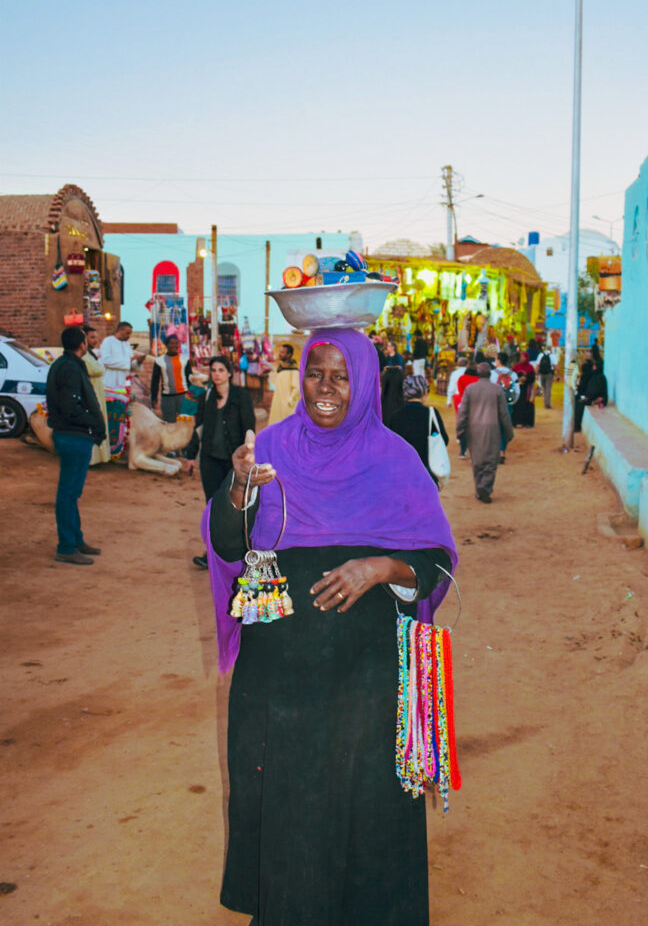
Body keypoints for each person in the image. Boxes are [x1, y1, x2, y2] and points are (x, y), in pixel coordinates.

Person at [204, 328, 457, 926]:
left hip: (367, 691)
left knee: (364, 809)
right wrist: (239, 487)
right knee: (289, 812)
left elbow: (439, 561)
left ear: (364, 382)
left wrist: (381, 567)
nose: (325, 388)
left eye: (340, 376)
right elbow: (225, 544)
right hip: (277, 689)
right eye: (316, 373)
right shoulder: (266, 448)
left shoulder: (395, 459)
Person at [186, 356, 256, 569]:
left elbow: (249, 426)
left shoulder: (241, 396)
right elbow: (199, 428)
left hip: (233, 461)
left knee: (237, 506)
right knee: (213, 506)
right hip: (209, 459)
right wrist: (190, 456)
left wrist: (248, 452)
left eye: (220, 370)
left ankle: (244, 553)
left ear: (229, 373)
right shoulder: (206, 396)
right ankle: (212, 554)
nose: (216, 373)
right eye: (213, 370)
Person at [46, 326, 107, 564]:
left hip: (73, 435)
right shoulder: (69, 368)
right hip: (73, 436)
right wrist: (92, 422)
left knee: (71, 493)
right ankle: (67, 546)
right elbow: (71, 406)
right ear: (82, 344)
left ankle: (75, 539)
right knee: (68, 493)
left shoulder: (66, 365)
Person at [456, 361, 514, 503]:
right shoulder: (497, 390)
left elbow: (463, 412)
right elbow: (504, 414)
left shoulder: (470, 390)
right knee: (490, 461)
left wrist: (460, 430)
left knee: (477, 460)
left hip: (473, 429)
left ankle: (479, 488)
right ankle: (485, 487)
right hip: (492, 429)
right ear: (489, 374)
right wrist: (508, 432)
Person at [387, 374, 450, 487]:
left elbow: (389, 446)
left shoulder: (395, 416)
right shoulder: (431, 413)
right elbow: (444, 440)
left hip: (403, 471)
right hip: (427, 469)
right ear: (424, 391)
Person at [83, 327, 111, 464]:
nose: (95, 340)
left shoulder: (90, 355)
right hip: (92, 395)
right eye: (92, 337)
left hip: (97, 392)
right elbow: (97, 369)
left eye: (96, 337)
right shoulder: (84, 356)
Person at [150, 334, 192, 423]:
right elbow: (155, 381)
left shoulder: (185, 359)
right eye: (171, 343)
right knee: (169, 424)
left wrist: (191, 396)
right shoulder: (159, 361)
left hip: (183, 396)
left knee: (185, 423)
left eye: (176, 343)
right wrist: (154, 399)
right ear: (166, 345)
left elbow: (190, 379)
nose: (174, 345)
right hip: (167, 398)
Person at [99, 321, 146, 389]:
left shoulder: (127, 344)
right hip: (109, 382)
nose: (129, 336)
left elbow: (130, 365)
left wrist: (139, 361)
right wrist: (130, 360)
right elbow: (106, 361)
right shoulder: (108, 341)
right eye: (127, 333)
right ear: (120, 330)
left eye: (130, 334)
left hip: (124, 383)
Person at [490, 353, 519, 463]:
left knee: (494, 427)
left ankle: (495, 450)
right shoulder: (513, 374)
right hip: (507, 404)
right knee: (505, 428)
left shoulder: (492, 374)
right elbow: (517, 391)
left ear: (499, 361)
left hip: (494, 404)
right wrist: (512, 402)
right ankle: (502, 450)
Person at [266, 342, 300, 425]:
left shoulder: (294, 370)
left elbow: (297, 388)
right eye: (279, 352)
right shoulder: (281, 368)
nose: (279, 354)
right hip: (277, 405)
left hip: (287, 408)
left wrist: (289, 401)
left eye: (282, 352)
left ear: (289, 354)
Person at [574, 358, 608, 432]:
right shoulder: (595, 376)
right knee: (577, 402)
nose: (593, 368)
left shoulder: (600, 377)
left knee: (579, 404)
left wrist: (592, 400)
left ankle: (577, 426)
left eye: (594, 366)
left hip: (598, 400)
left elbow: (600, 393)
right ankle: (576, 424)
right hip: (590, 398)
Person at [452, 361, 479, 457]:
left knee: (464, 428)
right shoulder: (478, 379)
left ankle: (462, 451)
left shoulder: (461, 379)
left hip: (464, 405)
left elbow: (460, 391)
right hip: (475, 407)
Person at [380, 340, 405, 424]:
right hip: (388, 377)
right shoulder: (386, 356)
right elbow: (383, 366)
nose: (388, 347)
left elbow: (400, 366)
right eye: (388, 346)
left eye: (389, 346)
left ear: (393, 347)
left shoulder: (398, 356)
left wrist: (391, 367)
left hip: (395, 376)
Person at [512, 354, 536, 427]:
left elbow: (532, 378)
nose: (522, 358)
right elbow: (512, 376)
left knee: (527, 404)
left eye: (524, 357)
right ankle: (516, 421)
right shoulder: (516, 367)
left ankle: (527, 422)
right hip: (518, 388)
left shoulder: (530, 367)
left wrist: (526, 378)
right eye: (521, 357)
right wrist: (518, 380)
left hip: (526, 389)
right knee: (517, 405)